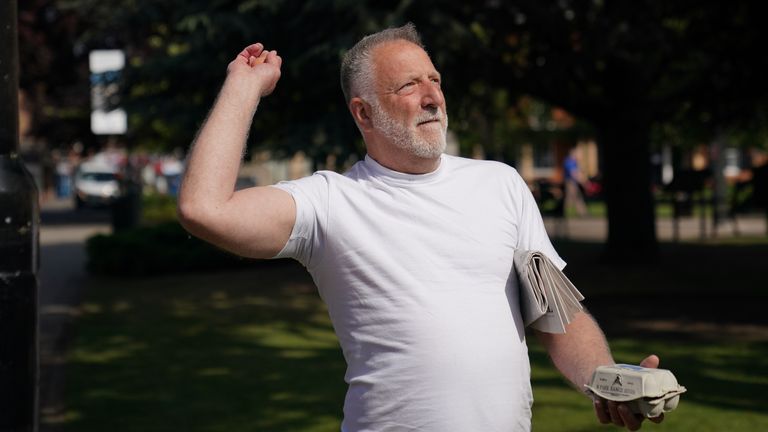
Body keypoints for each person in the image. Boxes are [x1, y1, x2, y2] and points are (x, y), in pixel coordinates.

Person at [178, 24, 665, 431]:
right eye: (408, 85)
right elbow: (205, 209)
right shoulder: (329, 203)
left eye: (435, 80)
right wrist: (243, 87)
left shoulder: (501, 185)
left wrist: (605, 378)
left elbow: (555, 314)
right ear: (363, 112)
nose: (433, 97)